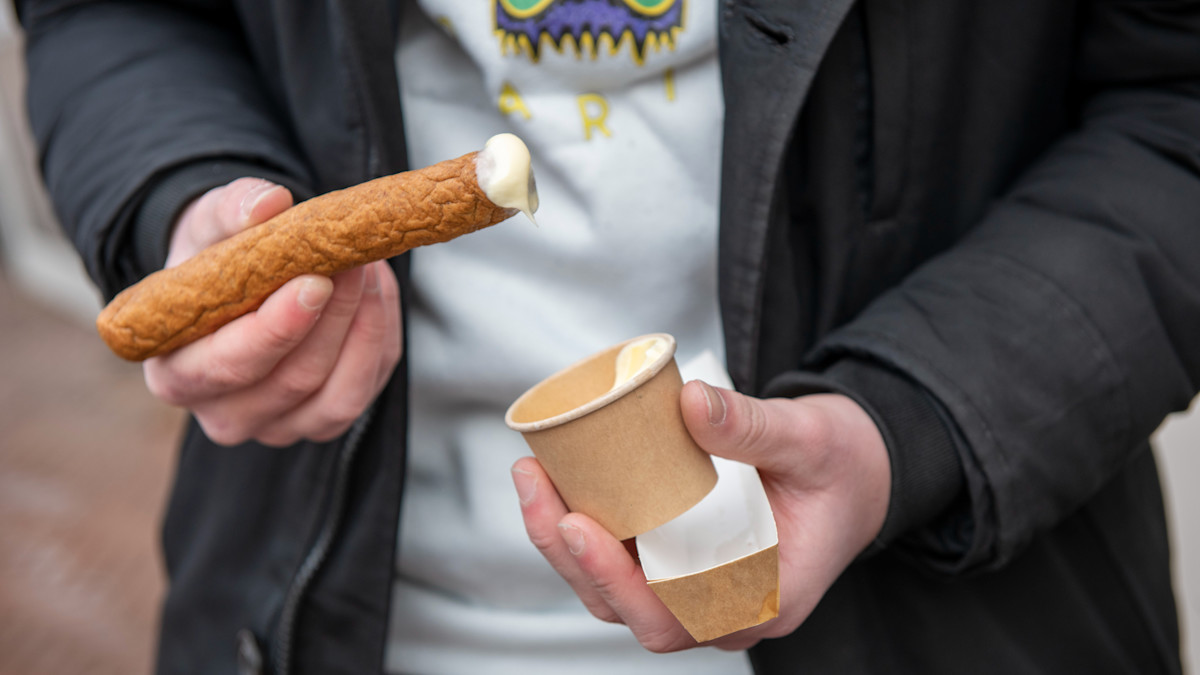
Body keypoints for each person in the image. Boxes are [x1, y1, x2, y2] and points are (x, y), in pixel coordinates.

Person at [16, 0, 1200, 673]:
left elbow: (1174, 107)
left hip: (952, 619)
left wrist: (911, 420)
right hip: (317, 622)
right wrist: (189, 194)